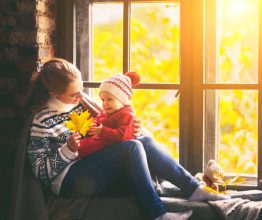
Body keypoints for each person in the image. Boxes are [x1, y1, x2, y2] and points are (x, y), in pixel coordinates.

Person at [25, 58, 230, 220]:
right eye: (73, 94)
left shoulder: (82, 103)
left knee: (144, 141)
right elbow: (40, 171)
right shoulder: (42, 120)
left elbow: (109, 127)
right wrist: (67, 151)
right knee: (131, 147)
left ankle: (193, 188)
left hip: (92, 161)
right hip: (69, 180)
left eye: (81, 88)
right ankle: (158, 214)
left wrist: (133, 129)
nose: (81, 96)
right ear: (54, 93)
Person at [78, 71, 140, 158]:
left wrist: (102, 131)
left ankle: (81, 156)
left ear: (122, 99)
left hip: (114, 146)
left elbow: (123, 135)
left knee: (87, 147)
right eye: (103, 100)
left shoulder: (126, 115)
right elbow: (98, 118)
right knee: (82, 144)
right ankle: (77, 154)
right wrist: (93, 124)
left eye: (109, 99)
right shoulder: (107, 111)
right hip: (103, 139)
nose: (105, 103)